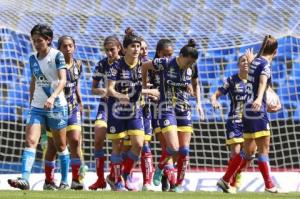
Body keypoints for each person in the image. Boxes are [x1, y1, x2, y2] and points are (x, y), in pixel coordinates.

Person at [217, 35, 282, 194]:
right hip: (257, 111)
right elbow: (262, 82)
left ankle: (225, 180)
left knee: (246, 151)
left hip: (246, 111)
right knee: (263, 149)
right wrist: (260, 98)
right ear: (275, 51)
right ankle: (269, 184)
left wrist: (252, 59)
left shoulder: (256, 62)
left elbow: (257, 77)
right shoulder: (265, 64)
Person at [8, 24, 68, 190]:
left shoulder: (57, 55)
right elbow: (34, 80)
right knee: (31, 141)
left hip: (56, 106)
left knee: (60, 146)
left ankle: (64, 181)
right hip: (37, 107)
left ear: (48, 40)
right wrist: (31, 100)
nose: (36, 43)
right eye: (34, 40)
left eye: (39, 40)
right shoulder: (32, 58)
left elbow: (63, 80)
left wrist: (53, 96)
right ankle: (25, 179)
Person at [142, 39, 199, 192]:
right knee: (173, 148)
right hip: (166, 107)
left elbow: (195, 82)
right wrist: (143, 86)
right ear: (180, 56)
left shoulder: (191, 66)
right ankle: (160, 168)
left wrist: (195, 97)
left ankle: (178, 185)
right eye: (187, 62)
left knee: (184, 150)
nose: (189, 65)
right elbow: (144, 66)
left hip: (184, 108)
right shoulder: (165, 63)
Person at [106, 27, 158, 191]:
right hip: (117, 110)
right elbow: (110, 90)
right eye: (133, 46)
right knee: (117, 146)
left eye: (138, 46)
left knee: (139, 143)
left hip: (135, 109)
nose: (137, 50)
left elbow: (140, 87)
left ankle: (122, 175)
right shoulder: (116, 66)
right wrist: (122, 96)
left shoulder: (143, 65)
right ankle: (118, 182)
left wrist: (150, 93)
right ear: (125, 49)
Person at [43, 36, 84, 190]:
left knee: (74, 141)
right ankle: (48, 181)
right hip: (56, 109)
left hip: (72, 108)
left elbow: (76, 83)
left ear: (74, 47)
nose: (68, 49)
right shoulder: (53, 65)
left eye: (70, 46)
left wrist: (80, 101)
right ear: (59, 48)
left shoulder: (79, 64)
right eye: (64, 46)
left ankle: (75, 180)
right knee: (54, 147)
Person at [210, 55, 249, 193]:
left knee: (248, 155)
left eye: (247, 61)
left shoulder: (255, 81)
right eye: (242, 61)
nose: (245, 63)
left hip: (251, 122)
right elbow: (216, 93)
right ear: (238, 64)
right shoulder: (232, 80)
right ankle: (229, 183)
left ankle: (236, 175)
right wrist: (214, 100)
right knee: (236, 153)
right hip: (235, 120)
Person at [88, 35, 122, 190]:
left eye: (112, 50)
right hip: (105, 106)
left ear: (119, 48)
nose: (109, 53)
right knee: (98, 140)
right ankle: (100, 179)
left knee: (120, 145)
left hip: (122, 109)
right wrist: (102, 90)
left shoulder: (125, 63)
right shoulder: (102, 64)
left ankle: (116, 178)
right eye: (107, 50)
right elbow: (93, 88)